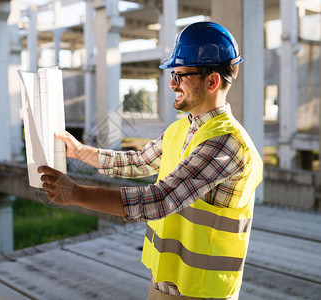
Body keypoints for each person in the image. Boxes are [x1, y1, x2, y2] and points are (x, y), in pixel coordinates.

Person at [38, 21, 263, 300]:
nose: (172, 83)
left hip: (202, 292)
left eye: (180, 75)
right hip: (163, 283)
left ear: (212, 81)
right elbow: (137, 162)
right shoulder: (181, 130)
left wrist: (76, 194)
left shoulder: (226, 144)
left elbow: (160, 200)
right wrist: (80, 151)